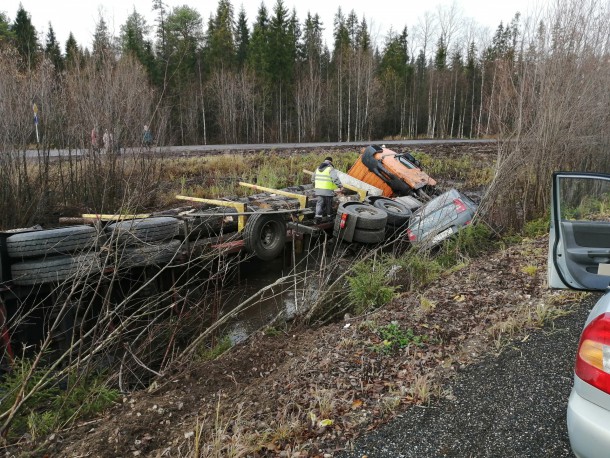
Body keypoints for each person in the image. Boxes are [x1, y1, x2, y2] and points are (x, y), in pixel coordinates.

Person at [313, 156, 343, 223]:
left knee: (319, 204)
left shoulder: (317, 168)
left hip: (319, 190)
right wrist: (340, 186)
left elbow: (312, 179)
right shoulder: (330, 169)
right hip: (328, 191)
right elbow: (335, 178)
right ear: (330, 161)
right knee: (328, 204)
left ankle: (318, 218)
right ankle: (330, 218)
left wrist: (317, 185)